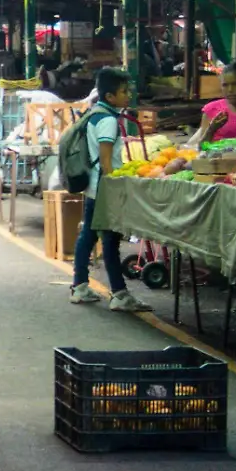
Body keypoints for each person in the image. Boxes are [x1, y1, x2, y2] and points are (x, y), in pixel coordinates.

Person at [68, 67, 152, 313]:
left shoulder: (95, 114)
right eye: (124, 91)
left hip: (94, 188)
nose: (129, 95)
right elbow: (106, 162)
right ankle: (118, 294)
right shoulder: (108, 121)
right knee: (110, 241)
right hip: (104, 189)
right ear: (110, 96)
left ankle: (81, 286)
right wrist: (115, 190)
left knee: (90, 237)